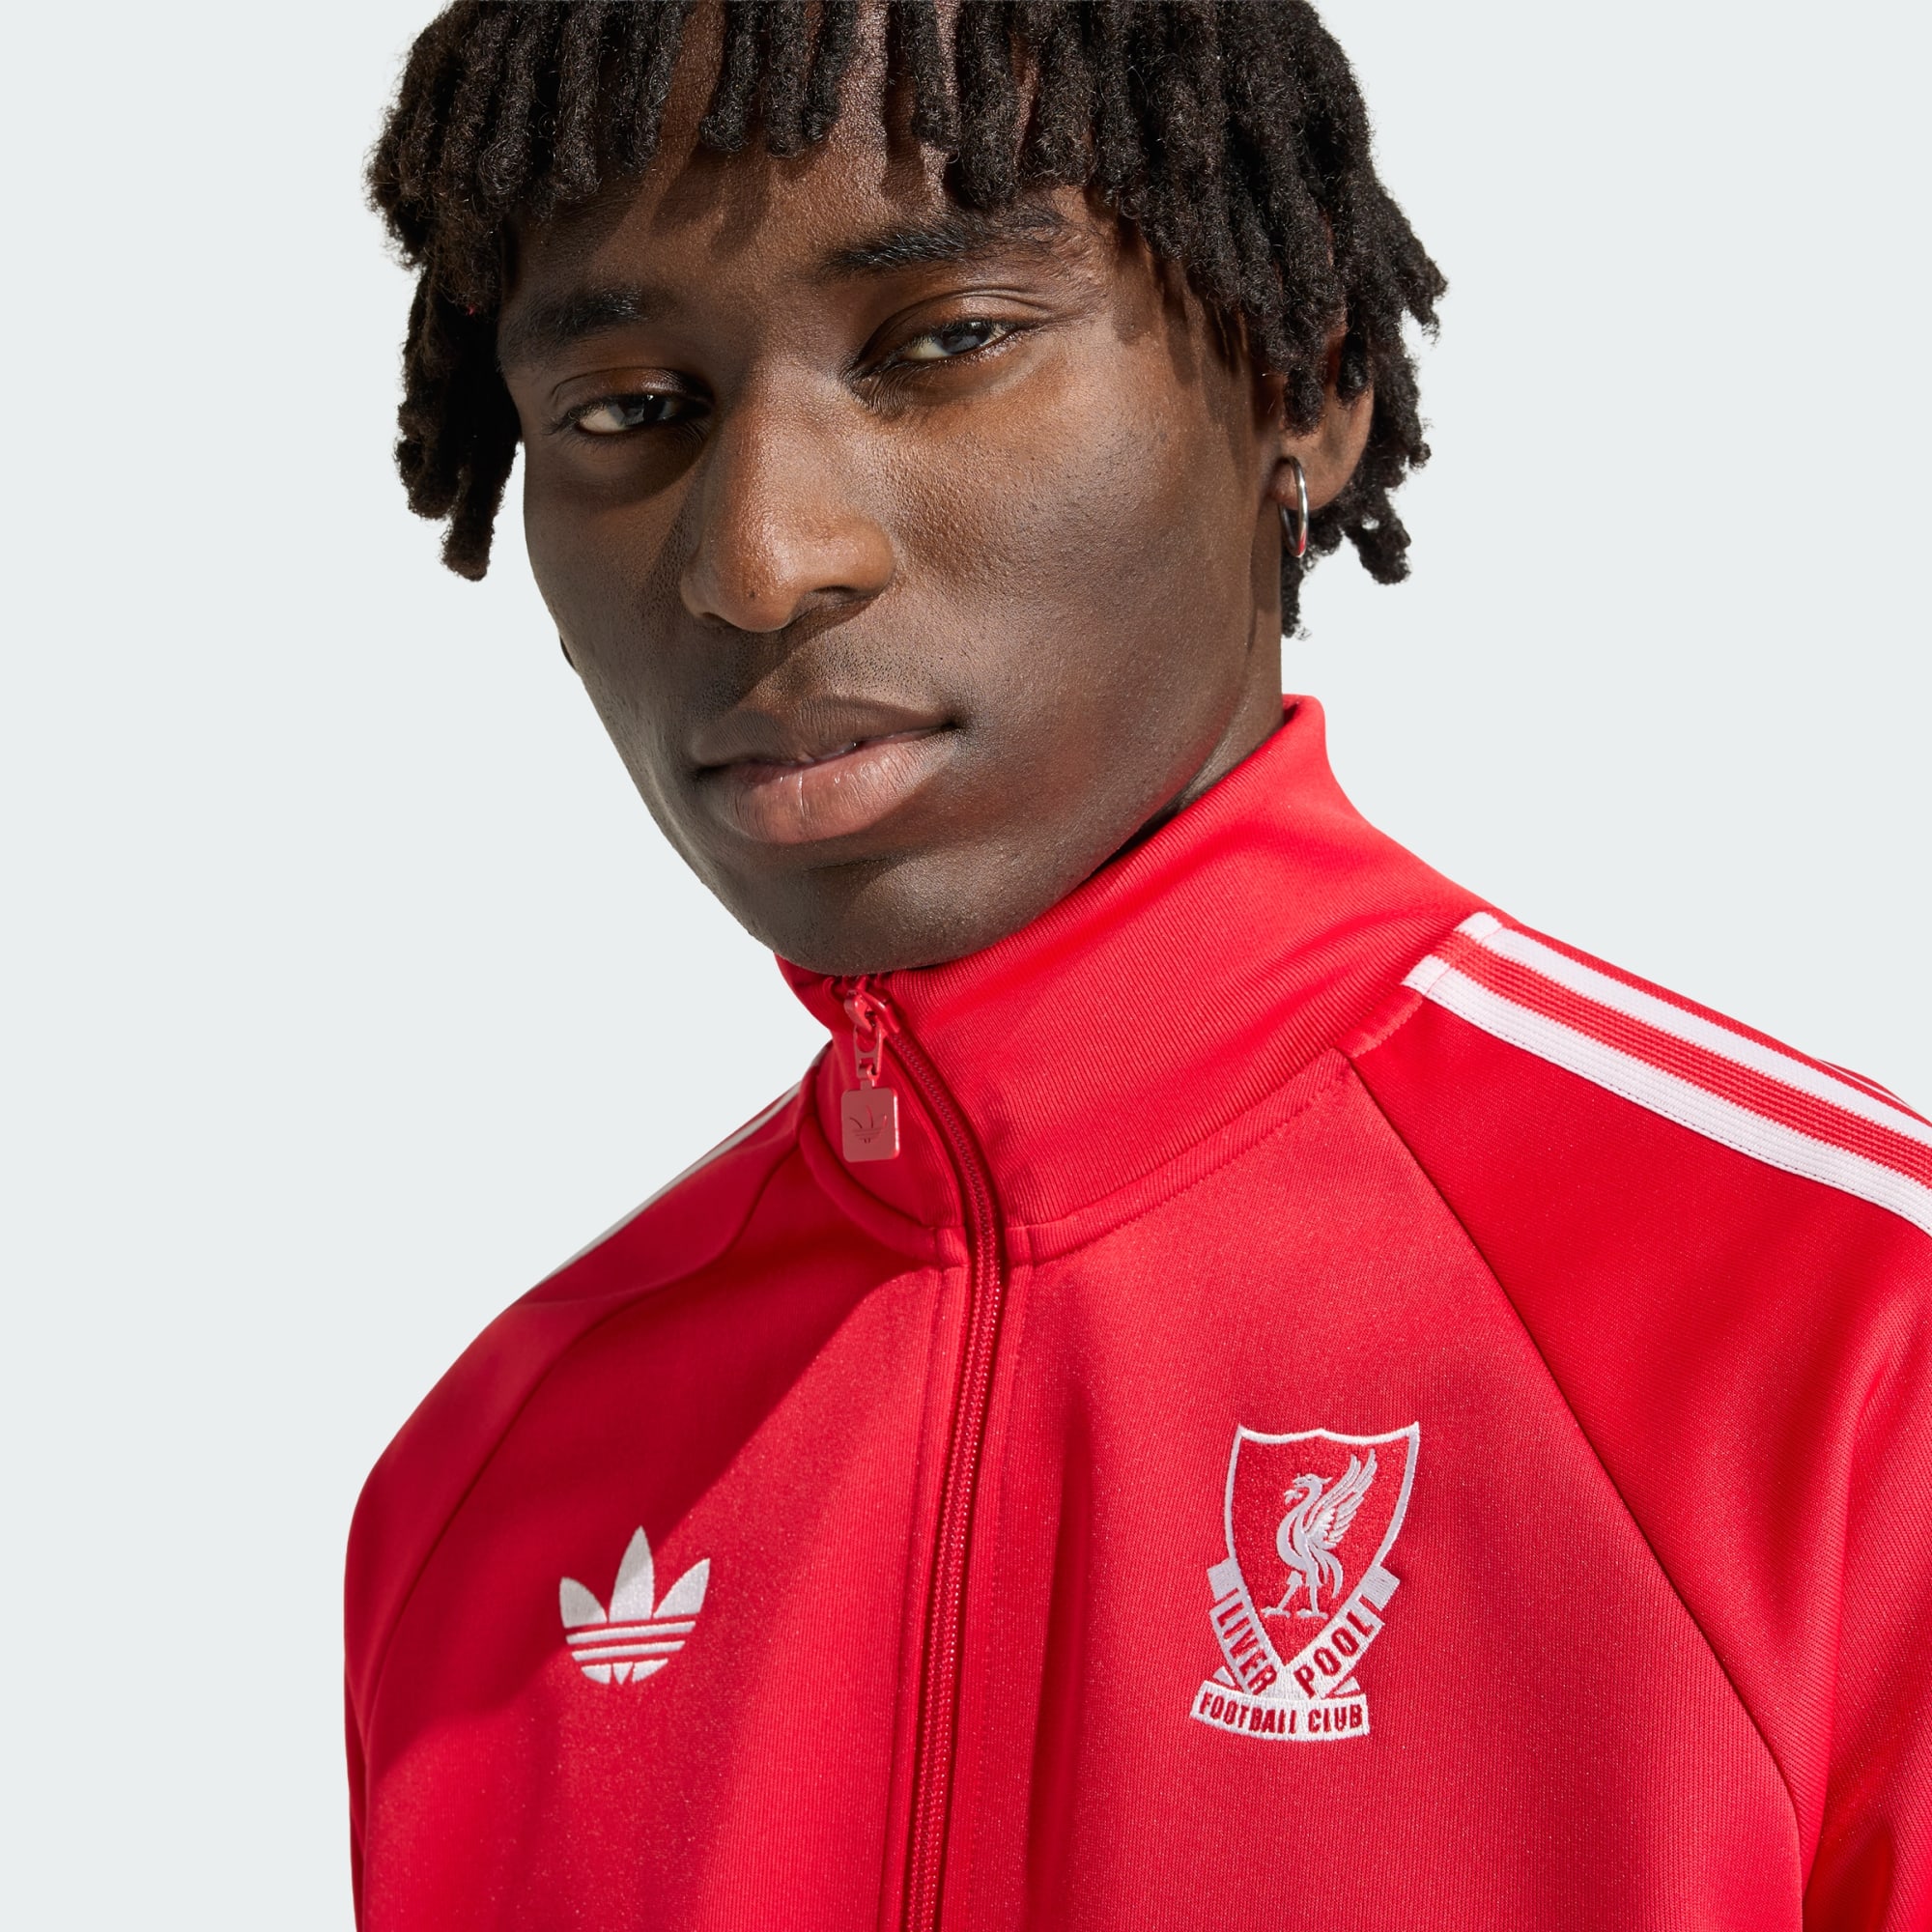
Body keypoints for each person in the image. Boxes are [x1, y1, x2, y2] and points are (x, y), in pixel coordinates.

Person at [345, 4, 1932, 1927]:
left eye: (945, 341)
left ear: (1304, 384)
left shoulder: (1852, 1345)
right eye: (626, 411)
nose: (757, 559)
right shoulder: (484, 1501)